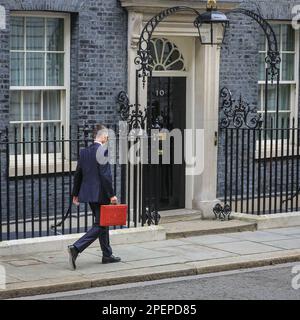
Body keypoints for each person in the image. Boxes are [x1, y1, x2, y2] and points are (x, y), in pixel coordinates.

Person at [67, 124, 121, 270]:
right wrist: (112, 195)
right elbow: (105, 175)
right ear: (102, 136)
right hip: (101, 194)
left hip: (89, 194)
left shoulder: (84, 152)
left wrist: (75, 194)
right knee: (101, 224)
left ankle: (107, 255)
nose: (108, 138)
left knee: (102, 223)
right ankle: (76, 248)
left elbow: (78, 174)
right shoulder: (102, 151)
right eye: (107, 135)